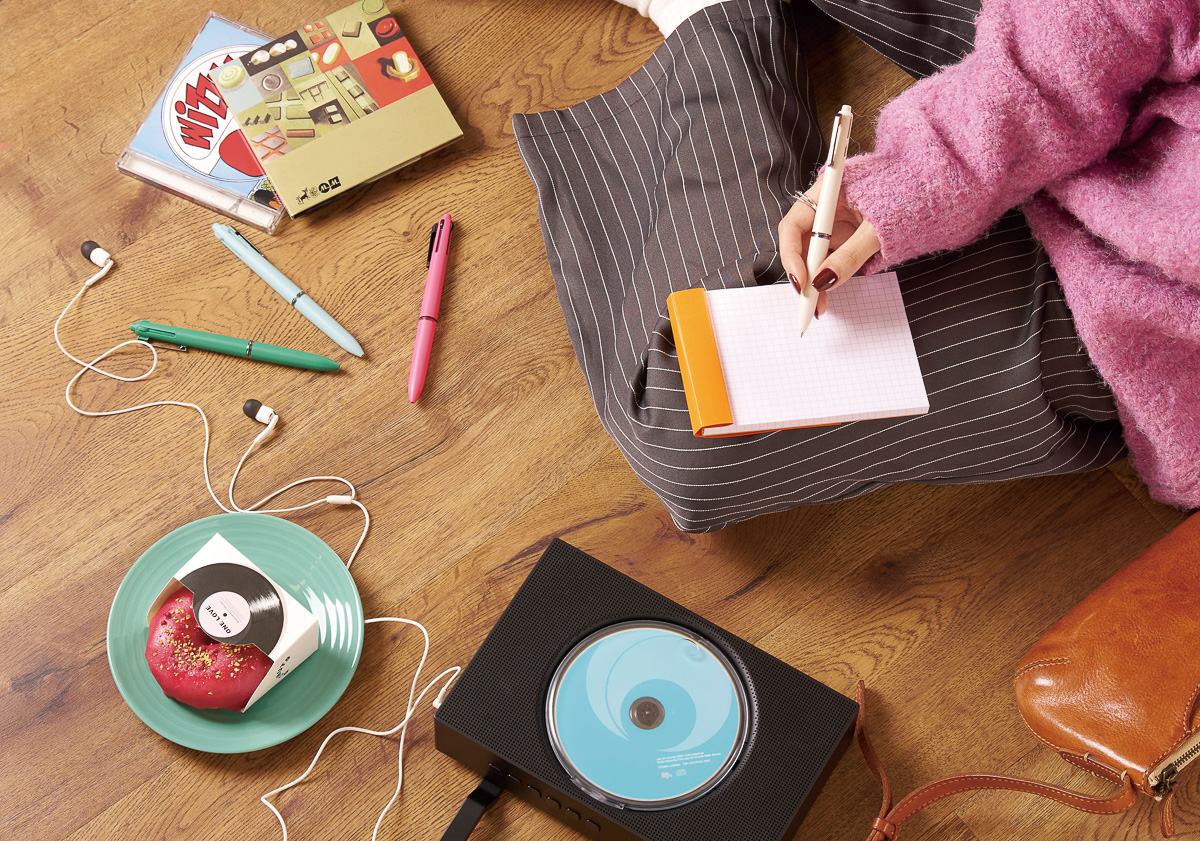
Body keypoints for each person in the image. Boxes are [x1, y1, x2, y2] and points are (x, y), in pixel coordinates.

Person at [511, 0, 1192, 531]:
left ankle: (708, 15)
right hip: (1135, 73)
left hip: (1152, 305)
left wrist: (926, 177)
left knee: (692, 414)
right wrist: (931, 170)